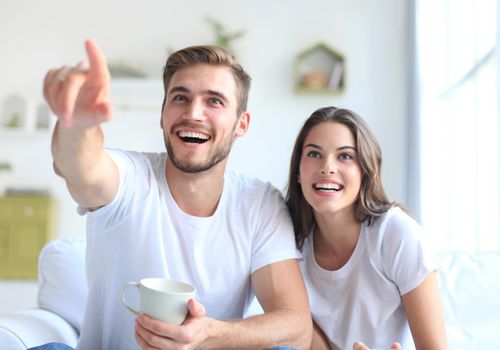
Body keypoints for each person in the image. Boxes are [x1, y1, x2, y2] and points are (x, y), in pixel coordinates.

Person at [38, 39, 312, 350]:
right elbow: (81, 166)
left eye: (214, 101)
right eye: (180, 98)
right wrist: (77, 125)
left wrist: (208, 335)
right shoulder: (131, 178)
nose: (193, 113)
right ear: (163, 113)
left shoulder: (259, 204)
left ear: (241, 124)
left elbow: (296, 328)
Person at [285, 107, 448, 350]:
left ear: (366, 171)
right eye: (314, 154)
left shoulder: (397, 234)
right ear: (298, 172)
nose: (327, 167)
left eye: (345, 156)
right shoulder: (286, 238)